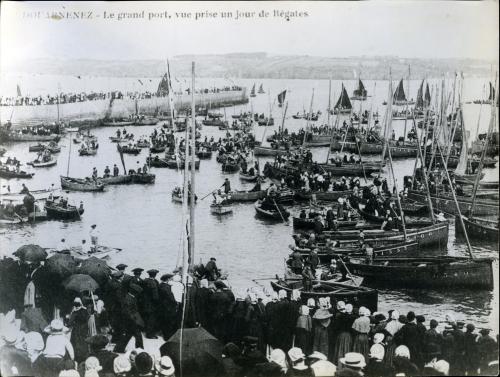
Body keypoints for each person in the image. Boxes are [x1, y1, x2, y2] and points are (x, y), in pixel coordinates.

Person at [142, 269, 159, 339]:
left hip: (145, 303)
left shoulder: (145, 281)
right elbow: (155, 297)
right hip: (151, 304)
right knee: (151, 319)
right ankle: (150, 334)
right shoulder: (153, 283)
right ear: (155, 275)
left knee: (146, 318)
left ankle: (146, 331)